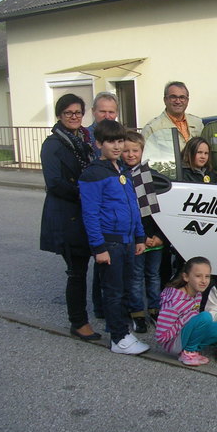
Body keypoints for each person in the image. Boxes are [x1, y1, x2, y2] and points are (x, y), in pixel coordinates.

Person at [79, 119, 149, 355]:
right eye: (111, 141)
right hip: (110, 241)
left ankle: (124, 331)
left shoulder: (123, 170)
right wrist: (99, 248)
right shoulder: (93, 174)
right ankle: (118, 338)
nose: (117, 146)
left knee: (127, 288)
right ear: (99, 143)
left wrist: (140, 236)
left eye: (120, 141)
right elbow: (90, 214)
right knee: (114, 291)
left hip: (128, 240)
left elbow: (134, 206)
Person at [39, 94, 100, 341]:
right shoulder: (53, 144)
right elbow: (54, 183)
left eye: (77, 112)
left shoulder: (84, 140)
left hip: (83, 212)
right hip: (67, 214)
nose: (74, 117)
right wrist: (86, 194)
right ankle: (78, 322)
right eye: (68, 113)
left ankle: (89, 314)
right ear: (59, 116)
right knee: (76, 269)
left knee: (84, 264)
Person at [121, 130, 166, 332]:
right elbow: (130, 213)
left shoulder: (149, 176)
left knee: (153, 275)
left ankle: (155, 309)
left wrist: (158, 237)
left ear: (142, 151)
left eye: (135, 150)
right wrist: (141, 237)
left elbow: (157, 210)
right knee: (136, 276)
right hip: (136, 238)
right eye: (126, 151)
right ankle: (137, 313)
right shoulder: (121, 176)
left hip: (155, 238)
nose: (130, 154)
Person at [155, 257, 217, 366]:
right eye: (198, 276)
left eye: (207, 276)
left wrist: (189, 321)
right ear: (186, 277)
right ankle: (188, 352)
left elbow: (193, 320)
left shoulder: (197, 294)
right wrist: (185, 320)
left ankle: (192, 350)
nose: (204, 281)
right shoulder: (175, 303)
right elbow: (161, 336)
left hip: (184, 335)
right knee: (205, 317)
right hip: (173, 343)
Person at [86, 92, 119, 320]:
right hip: (100, 217)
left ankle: (112, 307)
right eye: (102, 111)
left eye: (111, 111)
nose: (107, 115)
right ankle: (102, 309)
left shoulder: (117, 136)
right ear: (94, 112)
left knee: (114, 270)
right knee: (102, 264)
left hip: (117, 219)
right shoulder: (86, 139)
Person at [141, 81, 203, 154]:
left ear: (187, 100)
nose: (178, 101)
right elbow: (146, 159)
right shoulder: (152, 128)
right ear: (165, 100)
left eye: (182, 97)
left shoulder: (197, 123)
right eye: (173, 97)